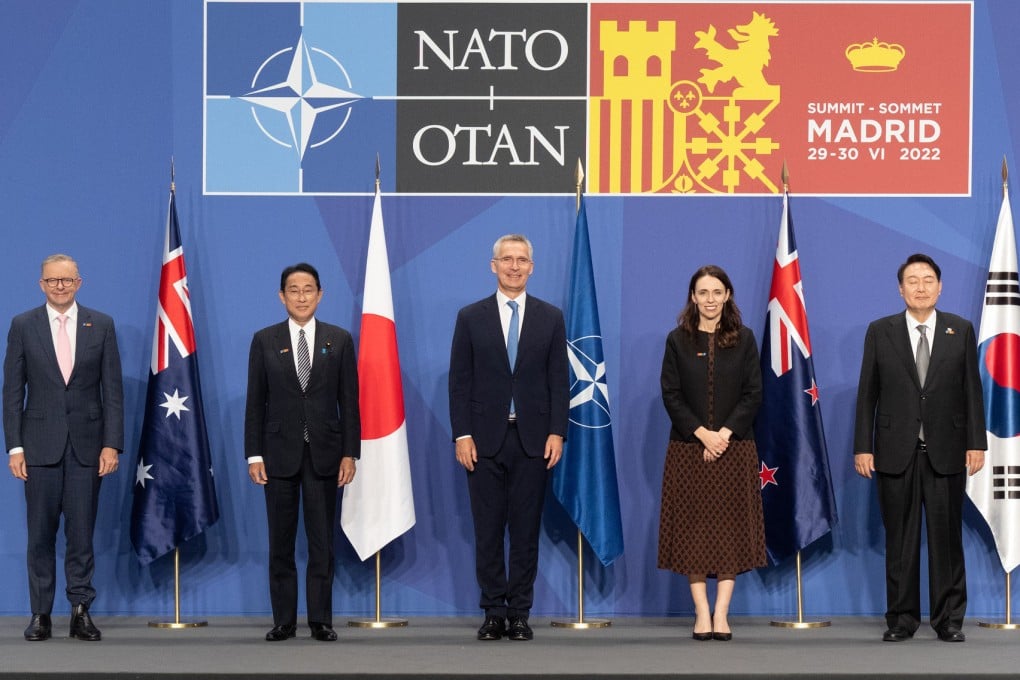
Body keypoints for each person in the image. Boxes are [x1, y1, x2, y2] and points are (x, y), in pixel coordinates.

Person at [854, 253, 986, 643]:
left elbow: (972, 393)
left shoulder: (959, 330)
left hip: (947, 451)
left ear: (940, 286)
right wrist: (863, 446)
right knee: (901, 542)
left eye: (928, 280)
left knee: (947, 542)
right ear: (900, 288)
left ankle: (948, 621)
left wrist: (976, 443)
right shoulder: (881, 331)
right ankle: (901, 619)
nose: (921, 287)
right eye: (913, 280)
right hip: (896, 452)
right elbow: (867, 395)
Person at [449, 234, 568, 642]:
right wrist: (461, 434)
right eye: (507, 259)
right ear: (493, 265)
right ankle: (493, 612)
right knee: (487, 530)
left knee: (525, 531)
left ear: (532, 267)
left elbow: (558, 380)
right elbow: (459, 381)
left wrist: (557, 431)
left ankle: (519, 613)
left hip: (534, 441)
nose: (514, 266)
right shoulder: (470, 316)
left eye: (522, 260)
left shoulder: (551, 317)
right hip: (482, 441)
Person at [3, 254, 123, 642]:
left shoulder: (101, 325)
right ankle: (40, 614)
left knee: (82, 534)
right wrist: (14, 447)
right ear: (41, 285)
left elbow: (113, 393)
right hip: (38, 449)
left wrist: (112, 444)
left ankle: (80, 611)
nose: (59, 286)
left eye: (66, 280)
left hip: (88, 449)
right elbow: (11, 392)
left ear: (79, 283)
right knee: (39, 535)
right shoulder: (23, 325)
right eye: (52, 281)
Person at [245, 263, 359, 642]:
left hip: (326, 454)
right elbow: (255, 403)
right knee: (280, 541)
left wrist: (350, 453)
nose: (301, 296)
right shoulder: (264, 340)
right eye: (293, 290)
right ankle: (284, 621)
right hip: (277, 456)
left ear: (320, 294)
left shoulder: (339, 340)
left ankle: (321, 620)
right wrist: (253, 454)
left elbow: (350, 402)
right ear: (282, 296)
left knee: (321, 542)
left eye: (308, 289)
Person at [658, 264, 766, 642]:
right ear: (693, 297)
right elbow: (670, 394)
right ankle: (701, 612)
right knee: (693, 532)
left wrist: (723, 435)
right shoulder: (678, 340)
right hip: (688, 449)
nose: (710, 300)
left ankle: (722, 613)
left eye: (716, 292)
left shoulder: (745, 338)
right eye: (703, 293)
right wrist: (703, 435)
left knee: (728, 531)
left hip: (735, 449)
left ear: (727, 296)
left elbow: (754, 392)